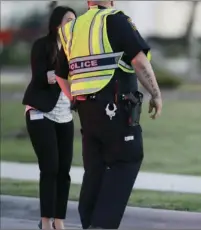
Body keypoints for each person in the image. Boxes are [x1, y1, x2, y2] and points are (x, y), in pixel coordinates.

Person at [55, 1, 162, 229]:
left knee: (95, 169)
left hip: (86, 111)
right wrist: (156, 93)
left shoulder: (70, 29)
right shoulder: (115, 19)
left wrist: (75, 98)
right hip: (115, 108)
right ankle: (102, 225)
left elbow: (61, 75)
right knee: (127, 159)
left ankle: (90, 222)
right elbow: (139, 61)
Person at [22, 6, 77, 230]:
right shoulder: (43, 45)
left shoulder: (77, 48)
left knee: (64, 170)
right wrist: (65, 72)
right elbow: (40, 77)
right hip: (40, 111)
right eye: (68, 20)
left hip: (65, 114)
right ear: (57, 24)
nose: (72, 24)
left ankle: (59, 221)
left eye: (75, 20)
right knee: (50, 168)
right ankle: (46, 221)